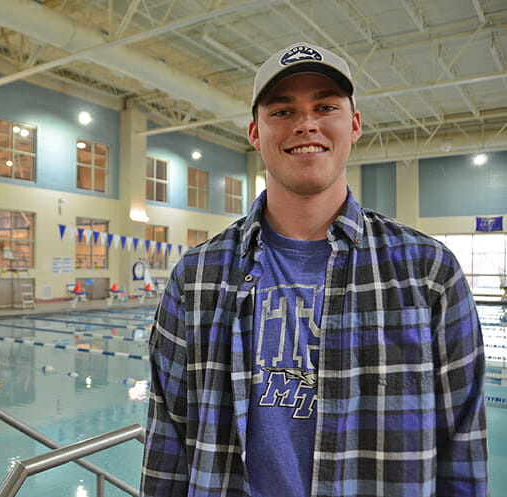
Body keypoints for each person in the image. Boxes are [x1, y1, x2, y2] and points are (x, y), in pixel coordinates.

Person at [141, 42, 488, 496]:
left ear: (355, 124)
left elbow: (462, 455)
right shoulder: (197, 277)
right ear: (254, 132)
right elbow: (167, 449)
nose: (306, 123)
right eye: (282, 111)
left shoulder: (427, 273)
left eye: (324, 106)